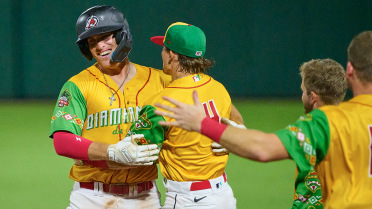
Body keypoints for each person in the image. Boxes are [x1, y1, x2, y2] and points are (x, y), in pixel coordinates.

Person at [154, 31, 372, 208]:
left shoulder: (328, 122)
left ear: (350, 70)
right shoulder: (215, 87)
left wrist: (203, 123)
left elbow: (263, 148)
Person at [49, 5, 171, 209]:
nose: (99, 46)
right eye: (92, 41)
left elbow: (208, 97)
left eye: (105, 37)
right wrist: (111, 152)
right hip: (91, 197)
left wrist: (230, 125)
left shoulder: (159, 80)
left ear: (122, 36)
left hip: (144, 196)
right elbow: (63, 141)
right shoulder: (78, 85)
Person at [125, 22, 241, 209]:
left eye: (163, 48)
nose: (161, 53)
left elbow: (135, 153)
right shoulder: (218, 88)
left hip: (189, 199)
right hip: (224, 195)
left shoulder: (161, 102)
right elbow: (236, 120)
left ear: (172, 55)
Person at [293, 58, 347, 208]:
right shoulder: (353, 123)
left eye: (303, 91)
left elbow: (263, 150)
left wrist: (222, 131)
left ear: (313, 97)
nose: (302, 96)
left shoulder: (310, 127)